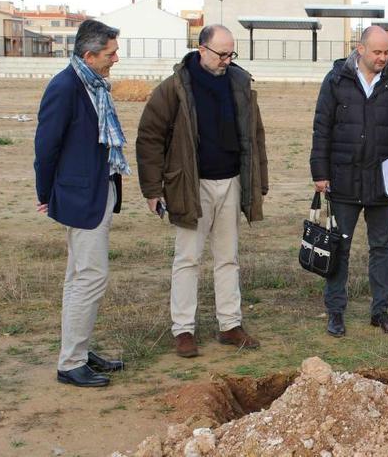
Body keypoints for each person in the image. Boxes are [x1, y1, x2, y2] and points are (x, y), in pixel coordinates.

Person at [136, 24, 269, 358]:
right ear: (202, 49)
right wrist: (153, 189)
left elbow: (256, 136)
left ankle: (230, 325)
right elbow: (149, 138)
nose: (227, 60)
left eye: (231, 54)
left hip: (231, 182)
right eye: (221, 54)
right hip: (190, 186)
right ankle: (183, 329)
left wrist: (258, 182)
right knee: (188, 259)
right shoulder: (174, 89)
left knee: (228, 258)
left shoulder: (240, 84)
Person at [34, 19, 127, 387]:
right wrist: (46, 194)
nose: (116, 58)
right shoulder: (65, 87)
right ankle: (71, 363)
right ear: (89, 55)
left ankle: (78, 351)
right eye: (110, 53)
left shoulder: (92, 84)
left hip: (98, 191)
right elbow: (46, 148)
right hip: (80, 196)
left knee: (79, 278)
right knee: (89, 277)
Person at [310, 26, 388, 337]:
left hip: (382, 182)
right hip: (343, 180)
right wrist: (320, 172)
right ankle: (335, 312)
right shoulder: (335, 80)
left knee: (381, 247)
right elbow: (322, 128)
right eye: (378, 52)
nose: (384, 58)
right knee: (339, 248)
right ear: (361, 49)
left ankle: (380, 311)